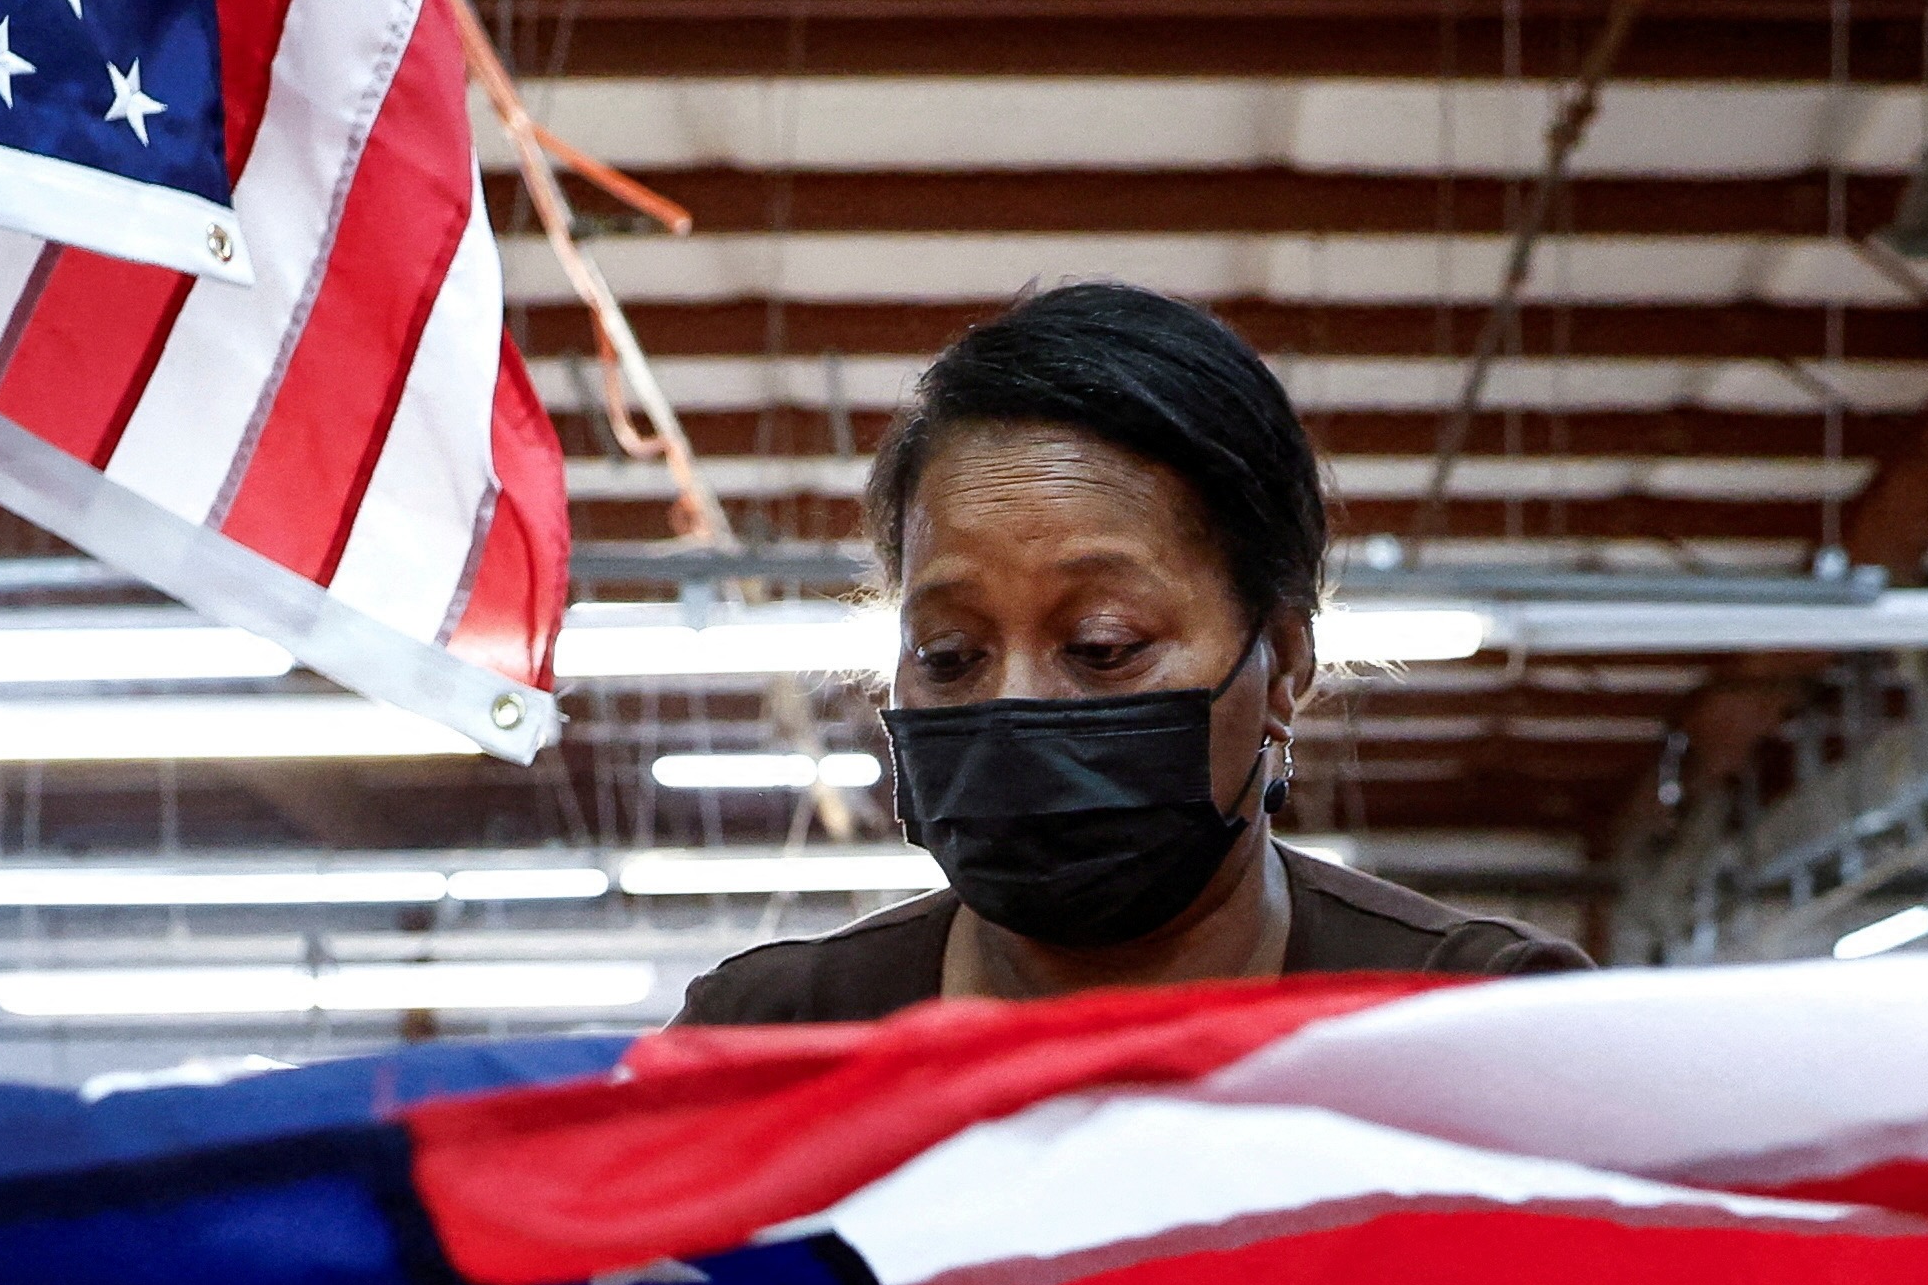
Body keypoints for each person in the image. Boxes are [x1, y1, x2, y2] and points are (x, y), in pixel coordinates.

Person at [674, 283, 1591, 1025]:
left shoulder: (1485, 1025)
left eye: (1101, 646)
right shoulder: (768, 1040)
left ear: (1281, 661)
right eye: (950, 655)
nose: (1019, 705)